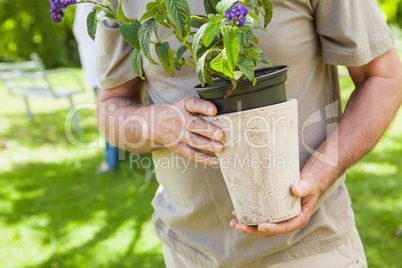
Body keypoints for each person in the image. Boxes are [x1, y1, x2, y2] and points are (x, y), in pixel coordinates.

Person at [95, 0, 402, 267]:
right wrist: (159, 124)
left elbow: (384, 77)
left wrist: (320, 175)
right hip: (187, 252)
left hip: (308, 249)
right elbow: (111, 107)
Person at [73, 3, 120, 173]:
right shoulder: (83, 7)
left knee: (109, 112)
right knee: (108, 113)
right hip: (95, 68)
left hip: (102, 67)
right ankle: (114, 157)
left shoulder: (93, 7)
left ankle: (112, 161)